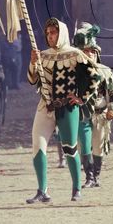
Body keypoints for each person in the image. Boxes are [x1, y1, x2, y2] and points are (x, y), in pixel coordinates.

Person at [26, 17, 101, 203]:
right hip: (45, 106)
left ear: (62, 33)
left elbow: (95, 77)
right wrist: (33, 62)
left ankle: (76, 188)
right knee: (38, 145)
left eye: (54, 32)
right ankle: (42, 190)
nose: (50, 36)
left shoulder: (75, 54)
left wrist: (81, 98)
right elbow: (32, 80)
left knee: (69, 148)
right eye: (48, 33)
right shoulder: (43, 55)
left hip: (68, 108)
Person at [74, 23, 113, 188]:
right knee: (84, 145)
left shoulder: (105, 71)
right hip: (82, 114)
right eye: (86, 51)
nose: (90, 54)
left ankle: (96, 176)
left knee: (98, 146)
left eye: (92, 51)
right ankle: (88, 177)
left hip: (100, 115)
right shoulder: (73, 72)